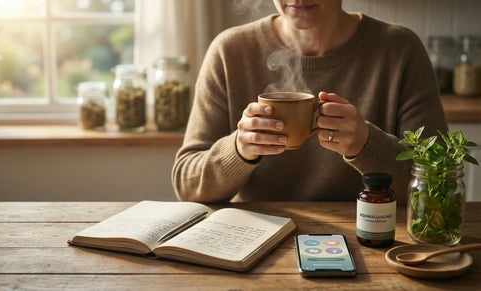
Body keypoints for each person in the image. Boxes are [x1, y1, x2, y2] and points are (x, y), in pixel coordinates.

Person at [171, 0, 448, 205]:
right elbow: (187, 185)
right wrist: (240, 150)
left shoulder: (399, 49)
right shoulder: (230, 51)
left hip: (373, 237)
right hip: (254, 242)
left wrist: (366, 144)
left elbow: (440, 182)